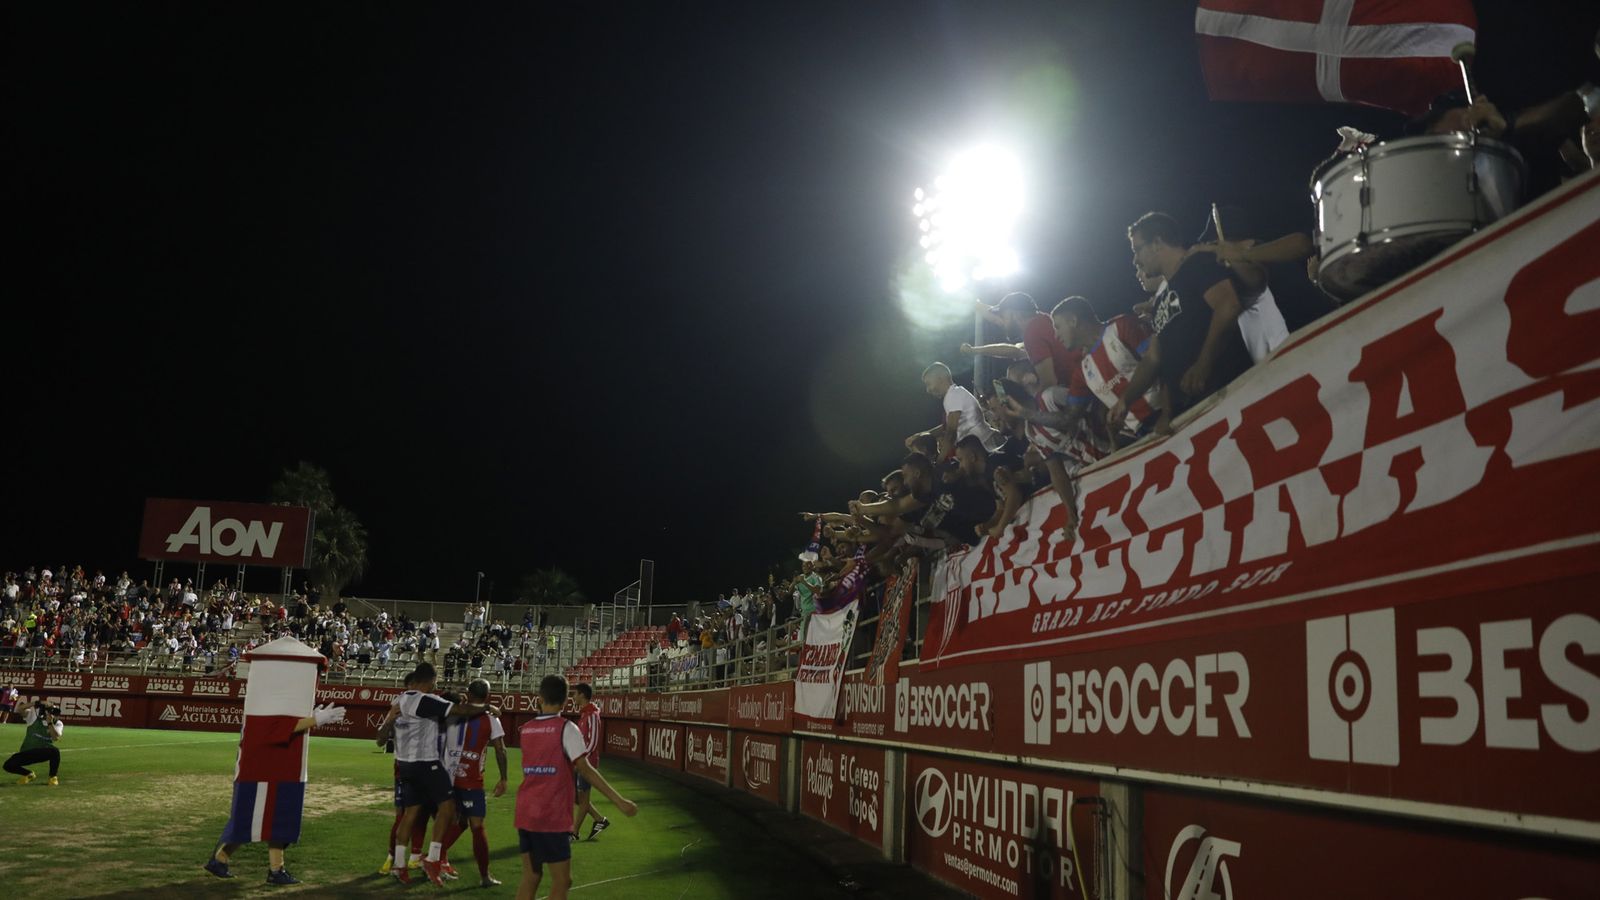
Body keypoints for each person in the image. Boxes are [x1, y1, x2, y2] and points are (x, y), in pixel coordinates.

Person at [1122, 211, 1255, 417]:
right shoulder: (1159, 302)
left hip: (1228, 396)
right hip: (1194, 412)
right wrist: (1129, 402)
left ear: (1157, 243)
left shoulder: (1197, 264)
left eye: (1137, 250)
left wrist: (1204, 363)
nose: (1135, 260)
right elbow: (1156, 358)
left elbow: (1228, 305)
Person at [516, 675, 637, 900]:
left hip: (526, 811)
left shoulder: (527, 729)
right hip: (551, 815)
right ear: (565, 702)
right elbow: (585, 768)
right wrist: (619, 801)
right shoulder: (567, 728)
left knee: (531, 877)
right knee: (562, 881)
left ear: (539, 699)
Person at [375, 662, 496, 886]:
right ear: (430, 680)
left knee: (409, 814)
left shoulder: (400, 700)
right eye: (435, 680)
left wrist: (390, 722)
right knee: (448, 809)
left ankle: (399, 865)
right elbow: (461, 710)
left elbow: (380, 738)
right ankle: (432, 858)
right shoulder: (426, 700)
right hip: (426, 763)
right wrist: (487, 708)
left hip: (405, 765)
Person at [439, 678, 508, 887]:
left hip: (448, 776)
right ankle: (485, 876)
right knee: (477, 826)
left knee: (458, 822)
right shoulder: (490, 719)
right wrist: (504, 778)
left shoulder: (454, 712)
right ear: (487, 696)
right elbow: (500, 749)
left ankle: (434, 858)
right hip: (471, 781)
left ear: (468, 694)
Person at [906, 362, 1006, 459]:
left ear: (940, 379)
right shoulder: (955, 394)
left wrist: (940, 461)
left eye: (929, 384)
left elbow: (950, 433)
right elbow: (947, 427)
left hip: (987, 443)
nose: (928, 389)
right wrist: (921, 435)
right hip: (985, 441)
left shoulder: (952, 396)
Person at [568, 683, 608, 842]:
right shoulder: (585, 714)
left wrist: (581, 760)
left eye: (575, 694)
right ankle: (600, 820)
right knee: (576, 797)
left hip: (587, 763)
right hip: (581, 761)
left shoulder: (591, 715)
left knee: (582, 798)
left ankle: (574, 833)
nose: (573, 697)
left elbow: (593, 742)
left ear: (582, 695)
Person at [5, 700, 63, 785]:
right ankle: (28, 774)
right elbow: (20, 709)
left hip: (42, 751)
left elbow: (55, 737)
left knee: (55, 751)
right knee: (8, 765)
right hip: (27, 751)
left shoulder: (58, 723)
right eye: (51, 712)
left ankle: (53, 777)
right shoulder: (33, 718)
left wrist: (49, 722)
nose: (54, 715)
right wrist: (37, 703)